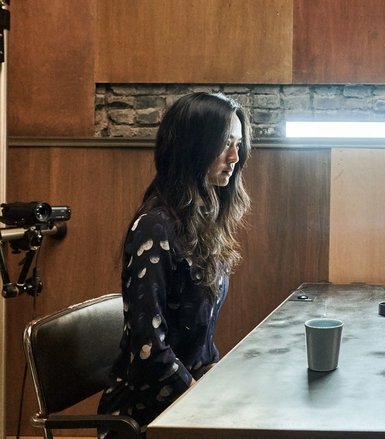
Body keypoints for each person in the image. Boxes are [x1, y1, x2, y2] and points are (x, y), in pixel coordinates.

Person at [98, 92, 251, 435]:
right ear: (193, 146)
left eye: (238, 144)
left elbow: (199, 343)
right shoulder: (155, 227)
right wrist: (203, 401)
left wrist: (218, 382)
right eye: (225, 143)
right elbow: (149, 350)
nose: (234, 157)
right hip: (144, 414)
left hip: (185, 399)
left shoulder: (203, 222)